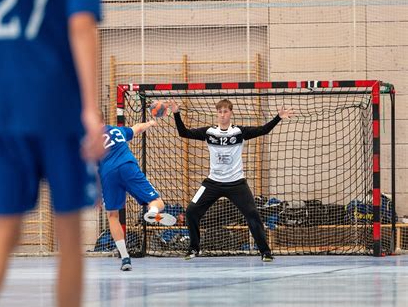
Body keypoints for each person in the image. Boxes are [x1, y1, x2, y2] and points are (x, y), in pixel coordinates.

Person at [0, 0, 104, 307]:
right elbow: (81, 26)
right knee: (70, 237)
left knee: (5, 231)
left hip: (4, 113)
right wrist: (91, 110)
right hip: (60, 114)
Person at [170, 99, 294, 262]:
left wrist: (278, 117)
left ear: (231, 113)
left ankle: (265, 252)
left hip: (237, 183)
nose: (222, 115)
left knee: (252, 214)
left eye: (225, 111)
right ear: (217, 114)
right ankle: (194, 248)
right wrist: (176, 113)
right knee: (191, 211)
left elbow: (263, 130)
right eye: (220, 112)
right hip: (212, 182)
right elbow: (183, 132)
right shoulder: (209, 133)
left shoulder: (239, 132)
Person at [98, 117, 176, 271]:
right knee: (158, 202)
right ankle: (152, 213)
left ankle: (125, 258)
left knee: (112, 216)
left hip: (108, 175)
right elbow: (138, 128)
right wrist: (151, 123)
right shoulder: (116, 130)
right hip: (127, 166)